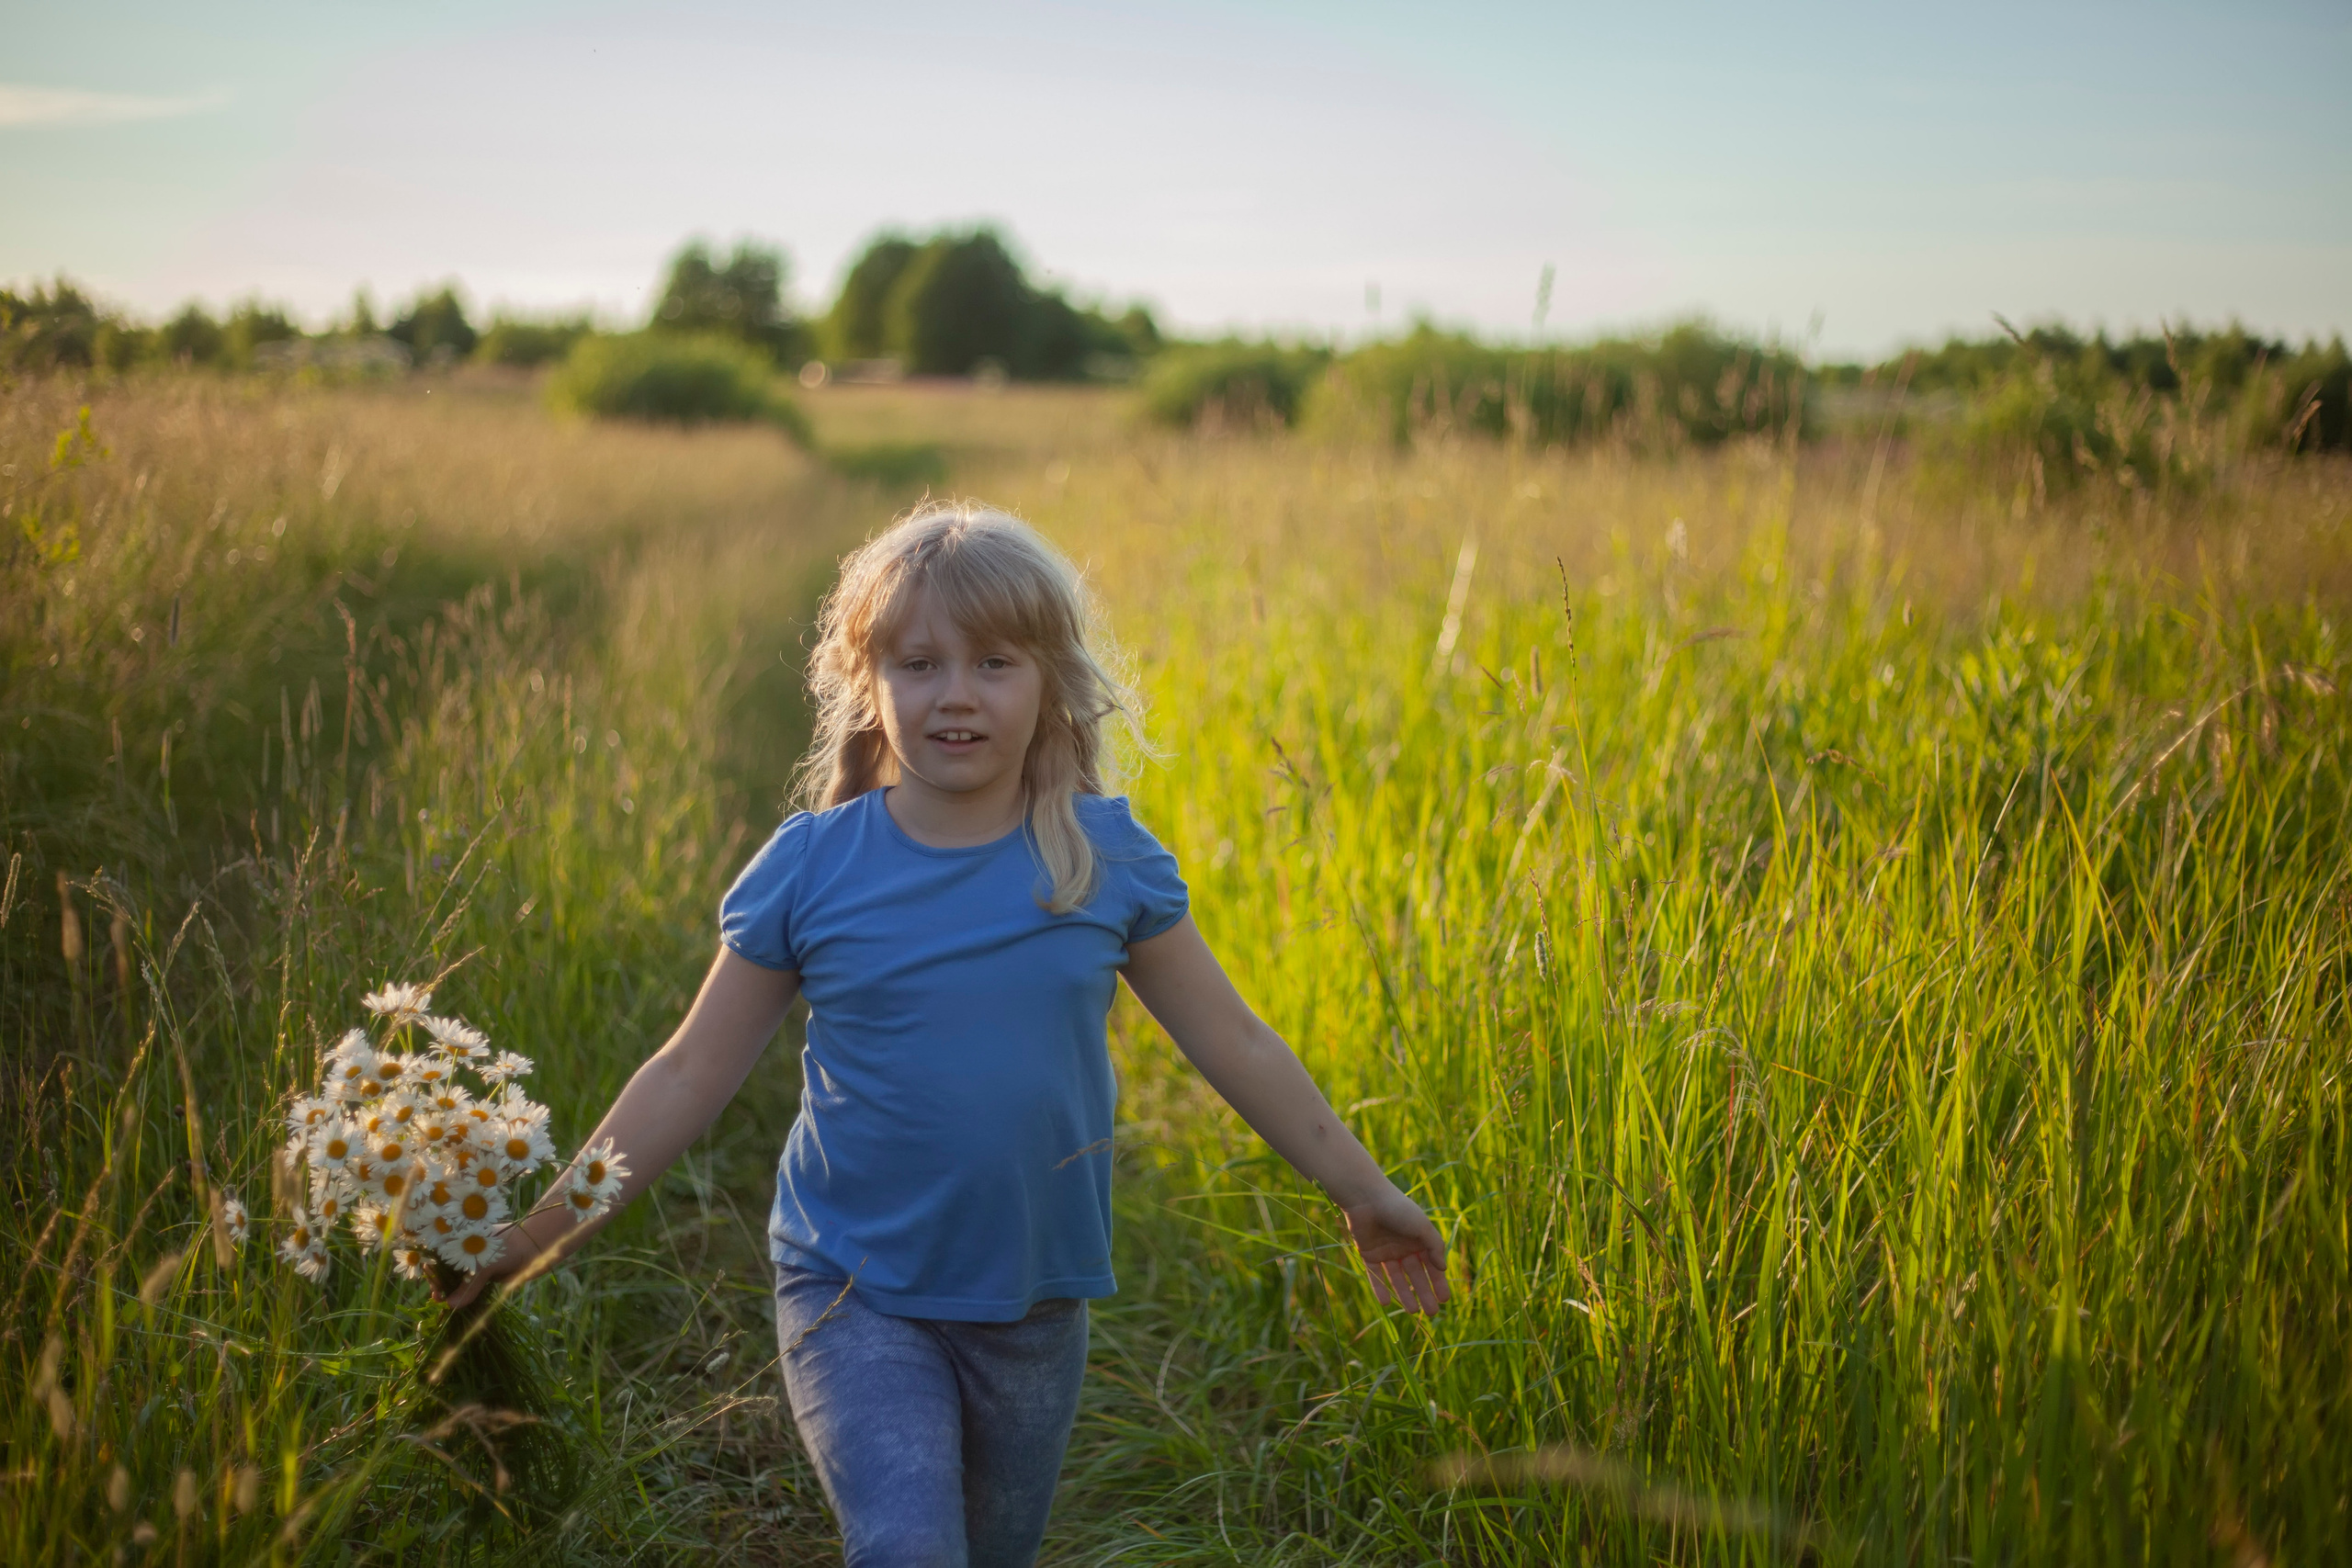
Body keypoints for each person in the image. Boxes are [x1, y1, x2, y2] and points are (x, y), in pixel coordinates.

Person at [445, 501, 1449, 1566]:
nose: (956, 693)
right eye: (919, 664)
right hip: (851, 1287)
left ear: (1051, 682)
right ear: (867, 685)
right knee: (911, 1550)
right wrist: (534, 1235)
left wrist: (1366, 1194)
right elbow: (690, 1070)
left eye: (995, 662)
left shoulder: (1102, 860)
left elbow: (1237, 1045)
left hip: (1033, 1299)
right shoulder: (812, 867)